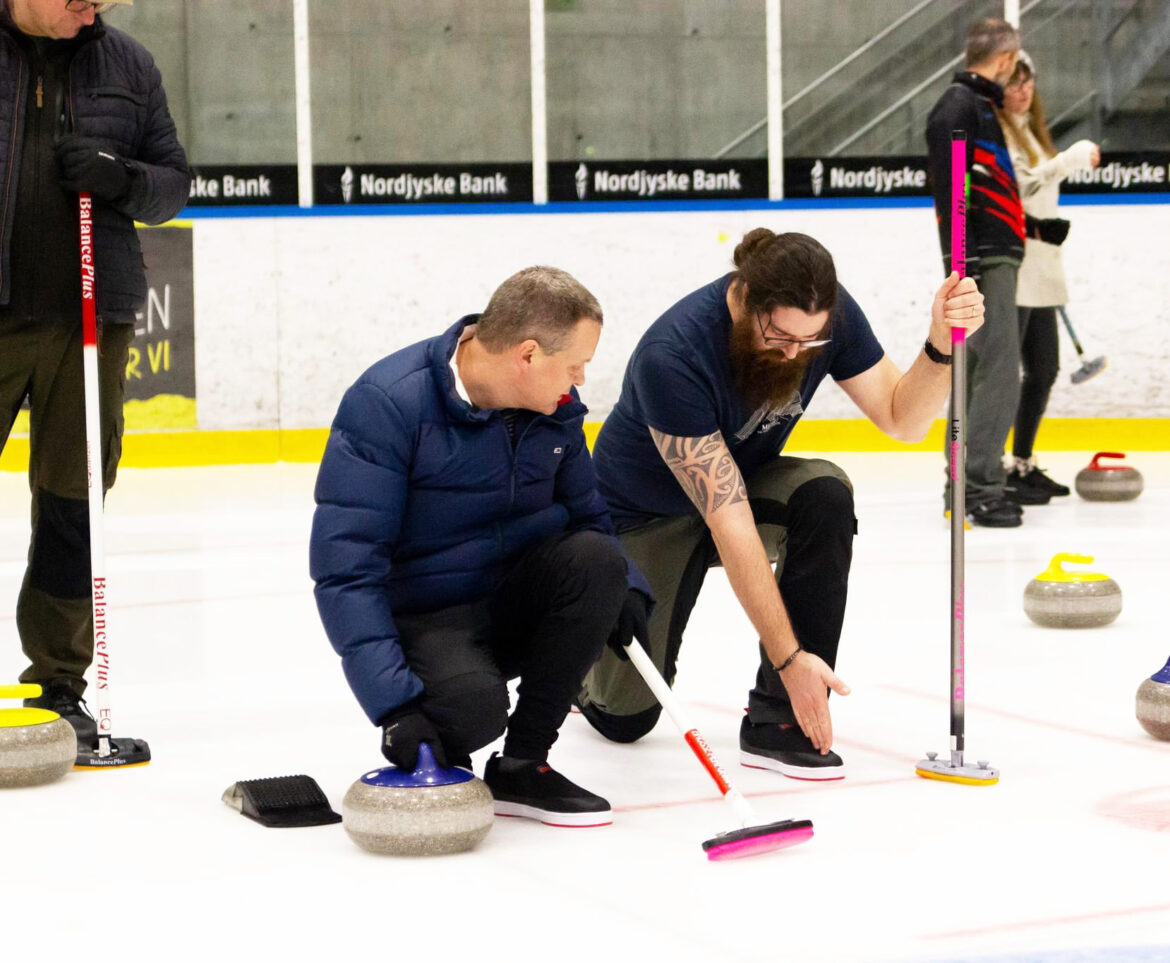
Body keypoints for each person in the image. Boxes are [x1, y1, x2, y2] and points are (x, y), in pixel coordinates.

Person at [576, 229, 983, 780]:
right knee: (625, 719)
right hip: (647, 517)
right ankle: (582, 666)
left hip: (741, 486)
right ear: (744, 298)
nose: (795, 352)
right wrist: (790, 658)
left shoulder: (824, 318)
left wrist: (938, 347)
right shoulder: (672, 355)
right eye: (780, 336)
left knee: (824, 493)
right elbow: (732, 524)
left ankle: (779, 719)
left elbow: (902, 419)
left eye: (810, 341)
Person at [310, 266, 651, 828]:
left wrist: (626, 587)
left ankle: (524, 766)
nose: (581, 380)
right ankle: (448, 714)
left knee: (598, 560)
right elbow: (346, 570)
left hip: (512, 599)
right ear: (528, 355)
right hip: (430, 615)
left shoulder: (553, 410)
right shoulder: (389, 403)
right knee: (469, 713)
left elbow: (589, 515)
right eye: (574, 366)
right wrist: (393, 705)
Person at [0, 0, 190, 739]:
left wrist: (120, 177)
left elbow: (172, 184)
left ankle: (57, 683)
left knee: (72, 508)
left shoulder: (128, 64)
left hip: (89, 319)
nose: (93, 9)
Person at [925, 17, 1030, 527]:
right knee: (995, 374)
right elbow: (953, 193)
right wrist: (961, 267)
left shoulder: (978, 106)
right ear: (1007, 60)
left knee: (984, 373)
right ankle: (979, 486)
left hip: (991, 254)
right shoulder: (959, 107)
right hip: (983, 259)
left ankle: (969, 483)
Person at [999, 51, 1100, 501]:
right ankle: (989, 468)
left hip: (1041, 268)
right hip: (1014, 270)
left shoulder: (1032, 134)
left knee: (1043, 370)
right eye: (1013, 82)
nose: (1023, 90)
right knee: (1003, 377)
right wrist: (1068, 160)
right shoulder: (999, 134)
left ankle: (1021, 462)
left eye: (1028, 82)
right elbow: (1015, 188)